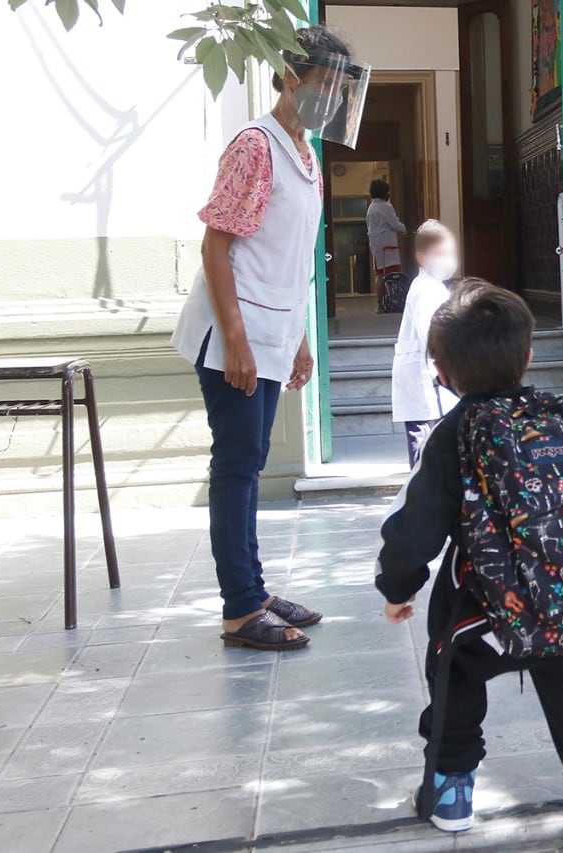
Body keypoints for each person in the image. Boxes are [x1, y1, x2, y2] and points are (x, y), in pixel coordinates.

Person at [376, 282, 563, 850]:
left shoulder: (454, 434)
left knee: (451, 669)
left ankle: (451, 792)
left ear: (443, 374)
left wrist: (397, 587)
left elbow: (415, 534)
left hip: (492, 619)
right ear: (527, 355)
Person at [172, 27, 370, 651]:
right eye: (325, 82)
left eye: (342, 86)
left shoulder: (306, 154)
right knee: (236, 467)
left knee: (250, 466)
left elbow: (289, 260)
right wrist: (236, 340)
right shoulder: (256, 145)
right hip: (237, 337)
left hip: (273, 332)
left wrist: (302, 337)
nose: (334, 96)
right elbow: (217, 244)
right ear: (290, 74)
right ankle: (239, 611)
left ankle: (253, 591)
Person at [391, 220, 461, 465]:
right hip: (425, 375)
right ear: (421, 258)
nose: (448, 260)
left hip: (431, 376)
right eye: (440, 254)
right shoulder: (424, 290)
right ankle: (420, 495)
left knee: (433, 440)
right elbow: (430, 335)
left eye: (450, 253)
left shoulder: (435, 287)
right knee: (423, 441)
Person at [367, 178, 408, 303]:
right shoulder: (386, 206)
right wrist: (404, 229)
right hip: (387, 245)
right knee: (392, 274)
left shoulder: (371, 208)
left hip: (375, 245)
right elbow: (395, 224)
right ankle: (392, 300)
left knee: (379, 274)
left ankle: (380, 302)